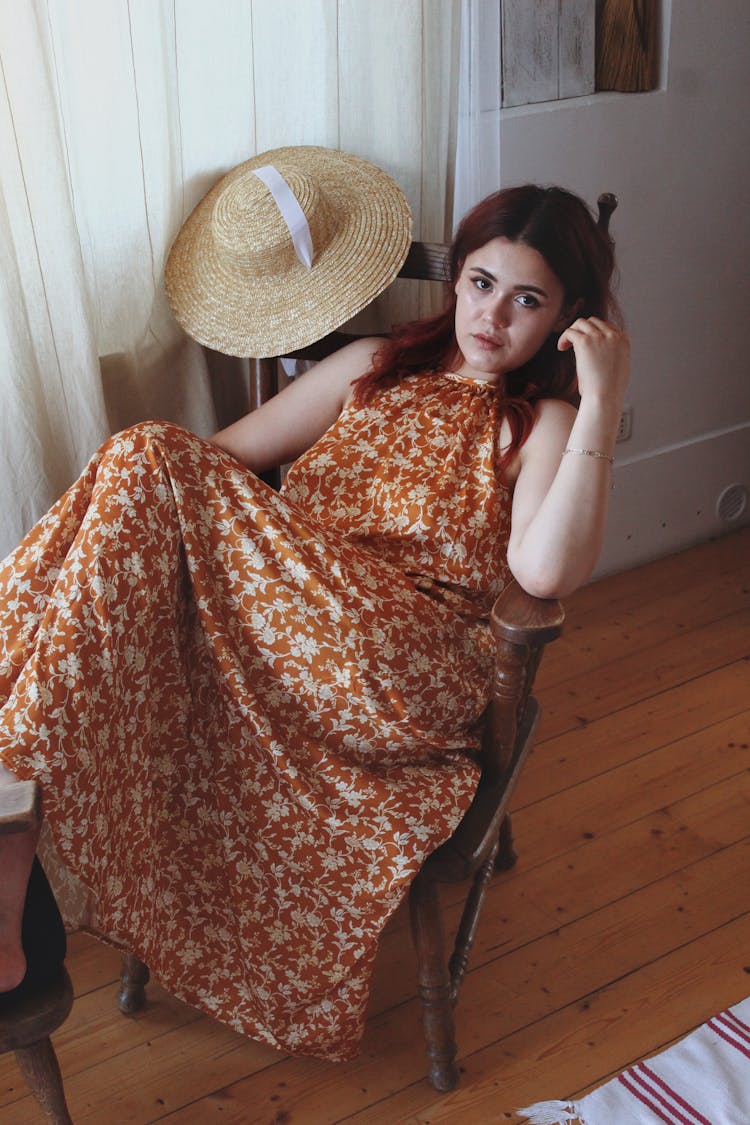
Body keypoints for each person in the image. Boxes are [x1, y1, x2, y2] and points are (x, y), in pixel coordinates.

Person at [0, 148, 629, 1061]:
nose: (492, 315)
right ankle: (10, 827)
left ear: (569, 317)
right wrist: (149, 548)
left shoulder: (540, 426)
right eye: (482, 281)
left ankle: (7, 811)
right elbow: (216, 457)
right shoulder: (376, 365)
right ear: (458, 276)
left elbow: (547, 572)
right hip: (285, 612)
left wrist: (603, 401)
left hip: (395, 659)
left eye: (527, 300)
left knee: (143, 456)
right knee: (142, 464)